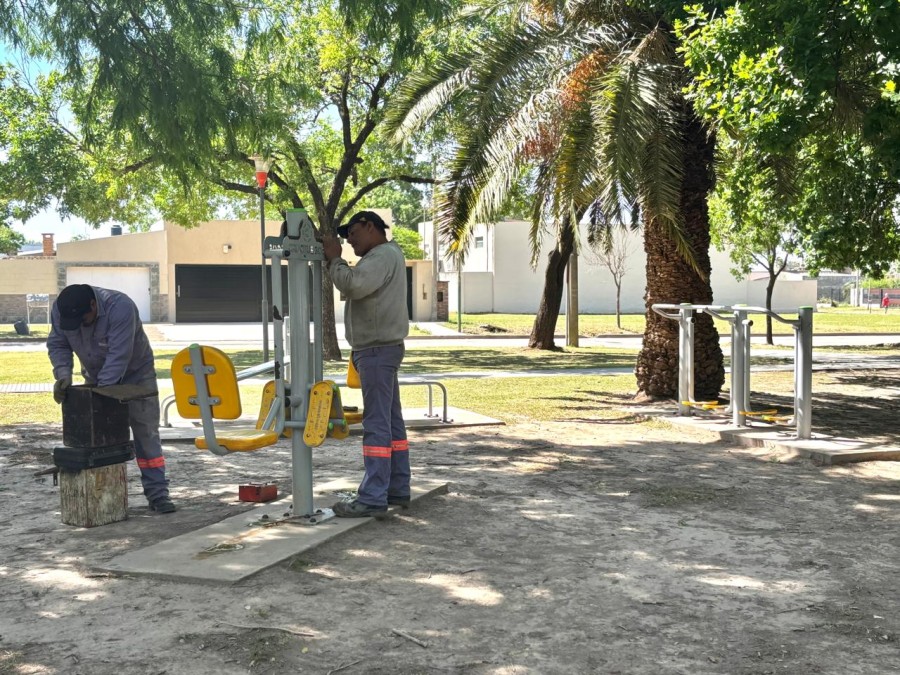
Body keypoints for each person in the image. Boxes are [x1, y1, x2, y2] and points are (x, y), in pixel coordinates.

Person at [47, 284, 175, 513]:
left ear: (94, 305)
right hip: (95, 376)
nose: (80, 326)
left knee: (146, 434)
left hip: (137, 375)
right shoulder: (60, 309)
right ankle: (103, 500)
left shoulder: (121, 307)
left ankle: (158, 495)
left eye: (83, 319)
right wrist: (63, 375)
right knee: (99, 438)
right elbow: (58, 344)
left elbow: (119, 355)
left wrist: (101, 395)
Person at [322, 211, 410, 517]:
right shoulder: (388, 255)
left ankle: (373, 496)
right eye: (344, 236)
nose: (348, 239)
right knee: (391, 423)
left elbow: (353, 286)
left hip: (376, 350)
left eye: (353, 232)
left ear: (370, 227)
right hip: (381, 349)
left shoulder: (380, 256)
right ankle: (397, 487)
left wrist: (335, 259)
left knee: (376, 425)